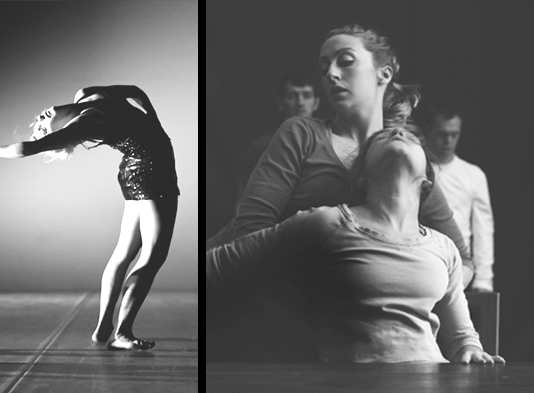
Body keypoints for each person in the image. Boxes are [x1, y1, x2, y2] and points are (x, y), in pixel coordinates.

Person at [205, 24, 474, 362]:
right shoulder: (301, 133)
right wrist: (324, 316)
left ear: (384, 73)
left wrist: (407, 294)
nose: (331, 74)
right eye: (324, 68)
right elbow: (248, 234)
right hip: (235, 294)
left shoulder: (407, 157)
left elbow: (462, 262)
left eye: (345, 61)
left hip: (332, 332)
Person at [207, 127, 504, 364]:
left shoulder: (444, 247)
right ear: (362, 178)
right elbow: (225, 261)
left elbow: (462, 338)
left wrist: (471, 352)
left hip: (430, 387)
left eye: (411, 137)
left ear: (427, 182)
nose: (398, 133)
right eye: (383, 137)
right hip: (349, 392)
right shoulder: (327, 223)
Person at [0, 85, 179, 351]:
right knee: (153, 256)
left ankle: (104, 327)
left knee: (124, 253)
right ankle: (122, 332)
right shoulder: (84, 124)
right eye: (44, 126)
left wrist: (154, 121)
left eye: (41, 120)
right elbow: (26, 149)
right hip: (152, 173)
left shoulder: (85, 94)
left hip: (137, 168)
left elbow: (134, 91)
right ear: (61, 131)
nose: (41, 119)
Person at [418, 100, 495, 293]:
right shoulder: (416, 169)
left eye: (454, 135)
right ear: (429, 130)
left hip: (461, 270)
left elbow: (483, 229)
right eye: (442, 134)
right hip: (421, 265)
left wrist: (484, 280)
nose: (448, 141)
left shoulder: (473, 175)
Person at [235, 71, 321, 206]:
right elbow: (243, 204)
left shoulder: (330, 146)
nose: (300, 102)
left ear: (316, 103)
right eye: (292, 96)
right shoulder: (260, 148)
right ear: (281, 103)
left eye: (307, 95)